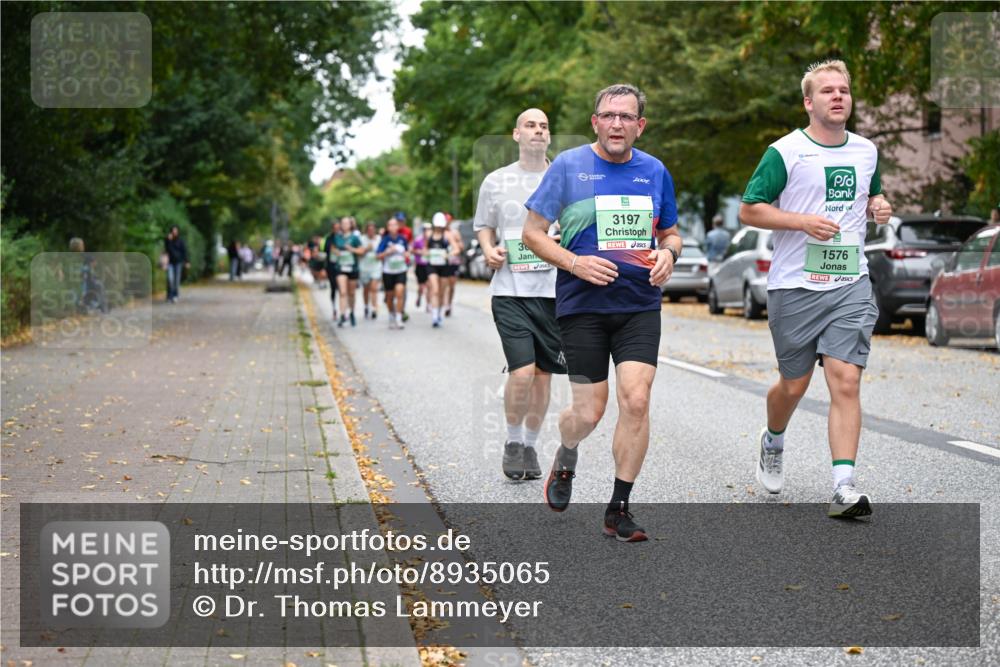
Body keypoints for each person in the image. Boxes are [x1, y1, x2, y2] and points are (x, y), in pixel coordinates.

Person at [522, 84, 680, 542]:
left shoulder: (654, 171)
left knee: (636, 399)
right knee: (588, 413)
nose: (616, 124)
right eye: (608, 116)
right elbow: (533, 233)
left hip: (638, 304)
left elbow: (670, 233)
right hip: (582, 306)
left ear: (639, 125)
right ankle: (566, 451)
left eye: (626, 117)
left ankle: (619, 508)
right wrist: (575, 262)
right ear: (595, 122)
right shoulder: (570, 166)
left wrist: (669, 254)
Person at [739, 60, 891, 519]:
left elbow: (871, 199)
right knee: (794, 383)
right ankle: (774, 438)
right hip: (795, 286)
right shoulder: (784, 152)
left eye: (843, 90)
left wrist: (880, 206)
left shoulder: (866, 151)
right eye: (827, 91)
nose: (837, 96)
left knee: (845, 379)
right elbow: (750, 210)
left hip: (850, 282)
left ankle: (844, 486)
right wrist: (800, 221)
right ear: (809, 101)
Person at [474, 107, 566, 481]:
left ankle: (529, 444)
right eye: (531, 125)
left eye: (544, 126)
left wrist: (562, 242)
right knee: (523, 371)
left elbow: (578, 224)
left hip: (554, 292)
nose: (539, 131)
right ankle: (512, 442)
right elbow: (483, 225)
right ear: (516, 134)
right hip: (510, 290)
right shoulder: (495, 181)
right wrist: (488, 249)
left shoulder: (563, 178)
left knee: (544, 377)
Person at [423, 212, 457, 327]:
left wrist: (449, 254)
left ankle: (439, 313)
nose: (438, 227)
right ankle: (434, 316)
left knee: (442, 292)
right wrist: (426, 253)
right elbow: (425, 248)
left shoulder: (447, 235)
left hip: (445, 267)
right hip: (432, 265)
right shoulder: (429, 235)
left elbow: (456, 249)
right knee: (435, 289)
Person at [377, 217, 410, 329]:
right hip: (388, 272)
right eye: (390, 225)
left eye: (395, 224)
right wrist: (388, 252)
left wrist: (406, 255)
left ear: (398, 226)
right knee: (389, 297)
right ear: (388, 227)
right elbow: (378, 256)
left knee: (400, 292)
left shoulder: (403, 239)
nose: (393, 227)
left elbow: (407, 253)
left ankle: (399, 318)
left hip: (401, 270)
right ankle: (391, 314)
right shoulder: (385, 240)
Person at [331, 216, 364, 327]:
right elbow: (333, 248)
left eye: (347, 223)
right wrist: (337, 252)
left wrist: (352, 249)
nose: (344, 225)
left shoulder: (355, 238)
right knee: (342, 292)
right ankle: (342, 315)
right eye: (343, 223)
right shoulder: (337, 237)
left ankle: (352, 312)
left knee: (351, 293)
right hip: (340, 267)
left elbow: (361, 251)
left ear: (351, 225)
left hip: (352, 268)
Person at [359, 222, 382, 320]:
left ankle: (374, 308)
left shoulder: (379, 239)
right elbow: (359, 253)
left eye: (373, 230)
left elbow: (382, 252)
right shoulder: (362, 239)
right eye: (369, 230)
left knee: (374, 288)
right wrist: (366, 249)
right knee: (366, 289)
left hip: (376, 267)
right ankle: (366, 306)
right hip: (364, 267)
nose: (371, 232)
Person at [442, 214, 464, 317]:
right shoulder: (440, 233)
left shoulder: (455, 233)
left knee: (452, 285)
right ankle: (445, 305)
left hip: (453, 261)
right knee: (444, 284)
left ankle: (449, 304)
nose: (446, 223)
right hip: (442, 262)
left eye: (448, 221)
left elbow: (461, 247)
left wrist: (455, 243)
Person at [164, 225, 190, 303]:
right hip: (170, 263)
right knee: (170, 279)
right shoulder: (168, 240)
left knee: (176, 281)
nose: (174, 232)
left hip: (178, 263)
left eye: (176, 231)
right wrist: (168, 240)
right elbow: (166, 249)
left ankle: (175, 295)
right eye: (173, 231)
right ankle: (169, 296)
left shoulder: (181, 241)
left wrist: (187, 261)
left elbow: (184, 252)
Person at [412, 222, 431, 310]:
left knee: (429, 285)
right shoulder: (418, 240)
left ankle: (428, 304)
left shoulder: (432, 240)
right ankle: (419, 296)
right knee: (421, 286)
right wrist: (419, 252)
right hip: (420, 265)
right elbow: (412, 250)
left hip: (429, 265)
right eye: (426, 230)